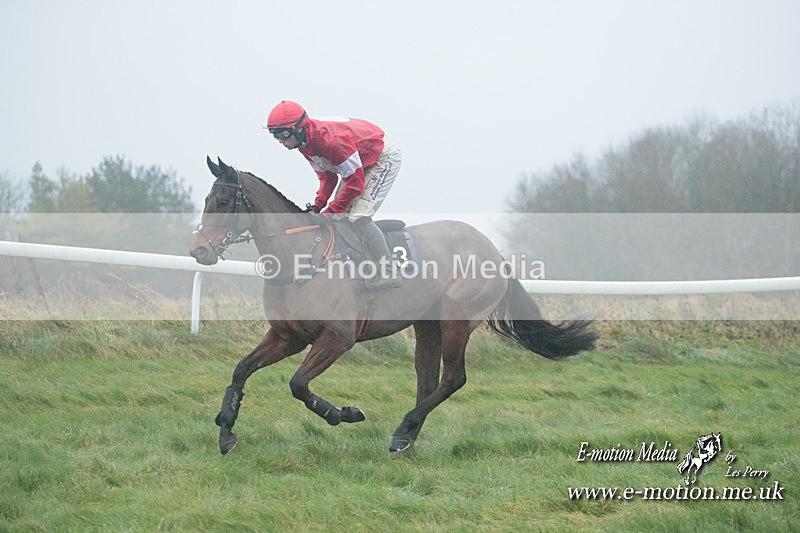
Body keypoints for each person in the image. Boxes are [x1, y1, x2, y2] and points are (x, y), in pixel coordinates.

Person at [265, 100, 403, 290]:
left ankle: (389, 272)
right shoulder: (304, 143)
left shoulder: (331, 141)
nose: (281, 141)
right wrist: (318, 205)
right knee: (339, 215)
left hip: (381, 157)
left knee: (358, 216)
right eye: (276, 136)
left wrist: (330, 211)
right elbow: (327, 177)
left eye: (284, 135)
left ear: (299, 129)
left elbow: (355, 184)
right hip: (358, 156)